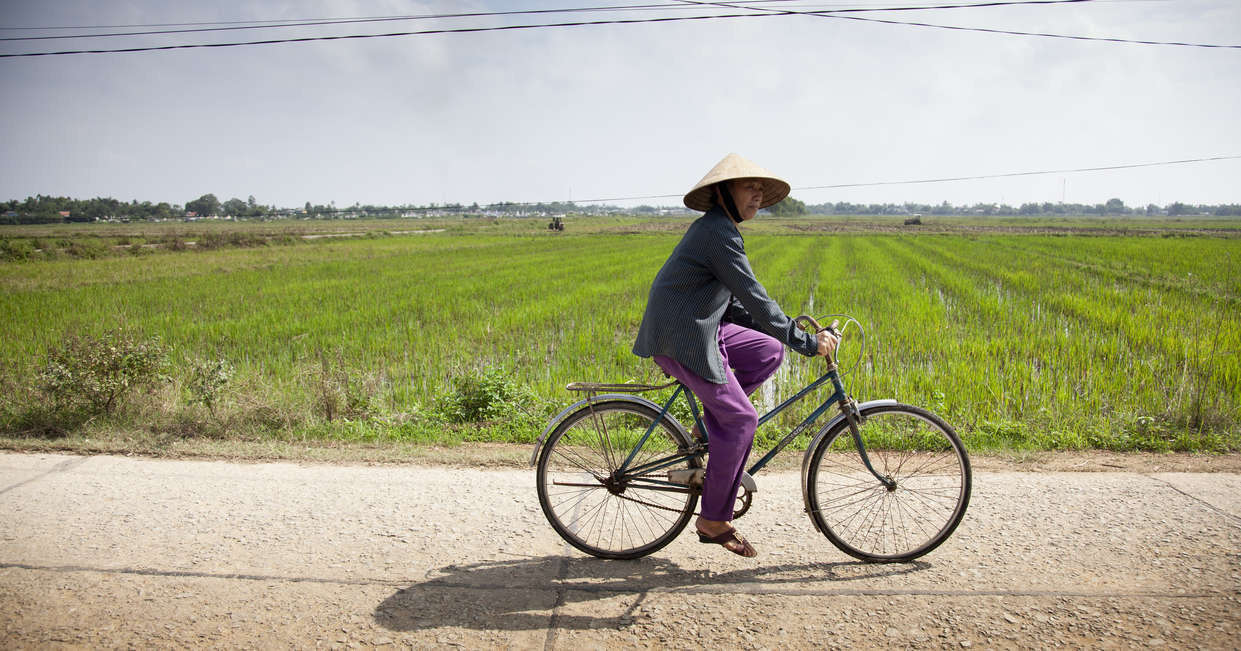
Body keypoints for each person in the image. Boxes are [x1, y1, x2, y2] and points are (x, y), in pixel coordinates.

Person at [632, 153, 838, 558]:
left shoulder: (720, 229)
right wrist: (809, 343)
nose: (758, 195)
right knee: (743, 418)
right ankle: (712, 519)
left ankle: (711, 430)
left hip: (703, 326)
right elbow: (755, 297)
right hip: (683, 336)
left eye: (761, 189)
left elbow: (739, 307)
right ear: (724, 191)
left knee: (768, 351)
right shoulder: (716, 232)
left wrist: (786, 334)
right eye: (750, 187)